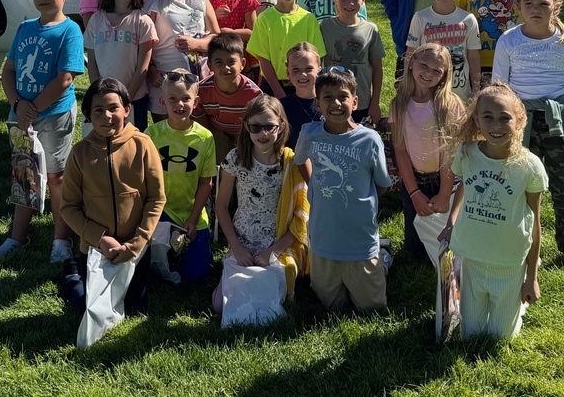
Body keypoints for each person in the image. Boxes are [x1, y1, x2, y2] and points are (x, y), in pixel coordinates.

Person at [492, 0, 564, 279]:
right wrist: (498, 125)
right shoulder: (509, 40)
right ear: (518, 7)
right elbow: (500, 86)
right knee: (516, 187)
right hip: (520, 123)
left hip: (559, 122)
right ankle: (518, 248)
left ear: (556, 6)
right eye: (528, 3)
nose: (535, 9)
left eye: (543, 3)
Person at [439, 83, 547, 339]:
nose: (496, 126)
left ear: (519, 120)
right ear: (477, 119)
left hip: (509, 262)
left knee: (500, 337)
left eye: (504, 118)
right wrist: (451, 222)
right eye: (488, 117)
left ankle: (515, 308)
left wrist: (531, 277)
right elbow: (465, 184)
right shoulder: (467, 152)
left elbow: (535, 221)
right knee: (470, 336)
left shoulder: (530, 166)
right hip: (472, 256)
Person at [0, 0, 85, 262]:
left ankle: (61, 240)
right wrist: (18, 104)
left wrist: (33, 109)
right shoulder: (25, 27)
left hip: (55, 115)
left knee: (56, 177)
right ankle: (17, 237)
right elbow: (8, 71)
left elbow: (65, 78)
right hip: (20, 116)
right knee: (24, 174)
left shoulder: (70, 30)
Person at [61, 78, 166, 316]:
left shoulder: (144, 145)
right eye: (98, 110)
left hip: (135, 250)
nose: (107, 115)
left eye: (113, 108)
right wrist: (100, 240)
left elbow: (156, 198)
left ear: (127, 109)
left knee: (135, 312)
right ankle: (72, 279)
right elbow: (68, 207)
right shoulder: (79, 154)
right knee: (94, 313)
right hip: (96, 250)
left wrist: (137, 243)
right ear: (87, 114)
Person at [295, 68, 392, 312]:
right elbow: (299, 161)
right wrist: (315, 184)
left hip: (360, 240)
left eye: (343, 96)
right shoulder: (309, 133)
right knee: (330, 307)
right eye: (327, 97)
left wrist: (360, 201)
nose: (336, 103)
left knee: (371, 309)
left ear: (355, 101)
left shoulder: (369, 139)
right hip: (323, 240)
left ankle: (383, 257)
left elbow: (382, 184)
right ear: (317, 103)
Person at [214, 95, 311, 309]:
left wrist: (273, 251)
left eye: (269, 126)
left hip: (278, 245)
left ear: (281, 126)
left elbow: (301, 216)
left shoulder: (292, 162)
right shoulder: (235, 158)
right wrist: (236, 247)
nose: (263, 133)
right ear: (246, 127)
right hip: (243, 242)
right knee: (219, 305)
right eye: (255, 127)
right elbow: (220, 207)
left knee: (270, 301)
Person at [390, 43, 465, 262]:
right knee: (414, 252)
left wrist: (444, 193)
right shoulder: (398, 104)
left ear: (444, 75)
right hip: (414, 180)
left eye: (436, 71)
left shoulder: (449, 104)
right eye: (424, 65)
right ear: (411, 62)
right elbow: (400, 150)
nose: (428, 73)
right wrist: (414, 193)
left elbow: (450, 153)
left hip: (447, 181)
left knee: (449, 244)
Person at [146, 71, 216, 283]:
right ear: (162, 102)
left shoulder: (205, 137)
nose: (180, 104)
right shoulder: (151, 134)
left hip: (191, 213)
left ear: (196, 102)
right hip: (161, 211)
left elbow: (206, 182)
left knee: (197, 274)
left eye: (186, 98)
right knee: (154, 269)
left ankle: (176, 253)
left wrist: (193, 219)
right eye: (172, 99)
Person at [145, 0, 221, 122]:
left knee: (196, 133)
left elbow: (216, 36)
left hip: (197, 80)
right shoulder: (155, 4)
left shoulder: (200, 0)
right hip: (164, 80)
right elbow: (143, 44)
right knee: (165, 135)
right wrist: (151, 71)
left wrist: (197, 44)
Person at [84, 0, 157, 130]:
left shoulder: (143, 21)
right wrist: (99, 96)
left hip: (134, 99)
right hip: (103, 102)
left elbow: (142, 68)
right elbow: (92, 61)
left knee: (131, 148)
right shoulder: (97, 19)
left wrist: (125, 100)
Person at [248, 0, 326, 99]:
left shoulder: (308, 19)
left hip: (303, 83)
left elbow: (317, 56)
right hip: (273, 85)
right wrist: (278, 91)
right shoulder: (264, 18)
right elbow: (263, 59)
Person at [407, 0, 481, 103]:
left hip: (459, 91)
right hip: (426, 90)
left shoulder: (468, 19)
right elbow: (411, 53)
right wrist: (408, 86)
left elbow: (473, 56)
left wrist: (476, 89)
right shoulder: (420, 17)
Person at [320, 0, 385, 126]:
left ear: (363, 0)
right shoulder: (325, 27)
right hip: (332, 100)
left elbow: (377, 67)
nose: (350, 2)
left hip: (362, 102)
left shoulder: (370, 29)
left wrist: (375, 102)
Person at [192, 34, 263, 163]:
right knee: (217, 151)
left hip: (243, 133)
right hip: (216, 132)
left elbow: (256, 125)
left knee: (244, 159)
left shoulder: (253, 94)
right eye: (219, 62)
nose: (226, 68)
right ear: (210, 65)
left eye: (231, 62)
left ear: (242, 64)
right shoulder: (202, 90)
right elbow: (202, 125)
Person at [280, 42, 323, 149]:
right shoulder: (280, 107)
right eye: (296, 69)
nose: (303, 74)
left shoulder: (331, 102)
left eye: (309, 69)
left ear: (319, 70)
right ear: (288, 73)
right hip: (294, 163)